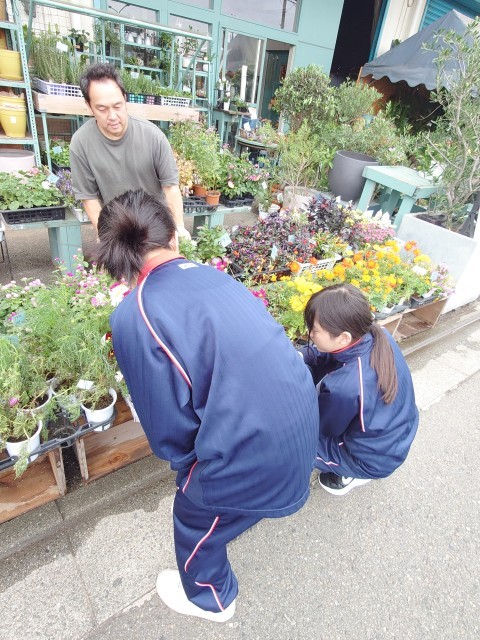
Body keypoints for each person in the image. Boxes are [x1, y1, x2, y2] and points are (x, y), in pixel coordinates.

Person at [95, 189, 319, 623]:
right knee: (219, 489)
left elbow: (168, 429)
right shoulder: (214, 276)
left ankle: (211, 598)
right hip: (304, 421)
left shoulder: (135, 313)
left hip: (260, 450)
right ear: (172, 237)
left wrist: (191, 477)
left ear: (115, 257)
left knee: (194, 512)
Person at [301, 283, 419, 496]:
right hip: (396, 434)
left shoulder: (345, 387)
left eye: (315, 330)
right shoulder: (378, 334)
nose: (309, 333)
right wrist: (299, 357)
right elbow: (329, 354)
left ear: (344, 337)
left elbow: (319, 428)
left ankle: (356, 472)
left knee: (294, 444)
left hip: (372, 458)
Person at [70, 62, 189, 236]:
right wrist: (105, 236)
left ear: (125, 99)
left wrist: (179, 227)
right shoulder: (81, 143)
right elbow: (89, 198)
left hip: (156, 227)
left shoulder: (153, 136)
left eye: (117, 106)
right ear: (89, 106)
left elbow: (170, 188)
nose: (112, 116)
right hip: (118, 230)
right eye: (102, 109)